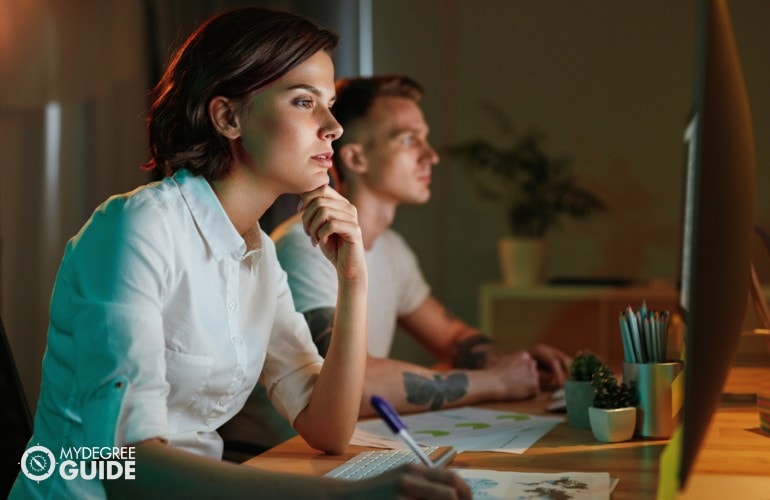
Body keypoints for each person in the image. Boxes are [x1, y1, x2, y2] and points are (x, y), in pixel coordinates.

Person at [10, 11, 470, 500]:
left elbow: (328, 428)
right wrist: (349, 497)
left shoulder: (258, 253)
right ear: (228, 117)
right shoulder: (138, 227)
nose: (333, 127)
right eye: (303, 101)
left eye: (330, 104)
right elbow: (127, 468)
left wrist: (352, 278)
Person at [270, 75, 573, 421]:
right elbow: (352, 386)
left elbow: (453, 337)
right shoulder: (306, 246)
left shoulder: (392, 249)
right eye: (409, 140)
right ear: (356, 158)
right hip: (287, 461)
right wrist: (495, 382)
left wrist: (512, 365)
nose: (431, 156)